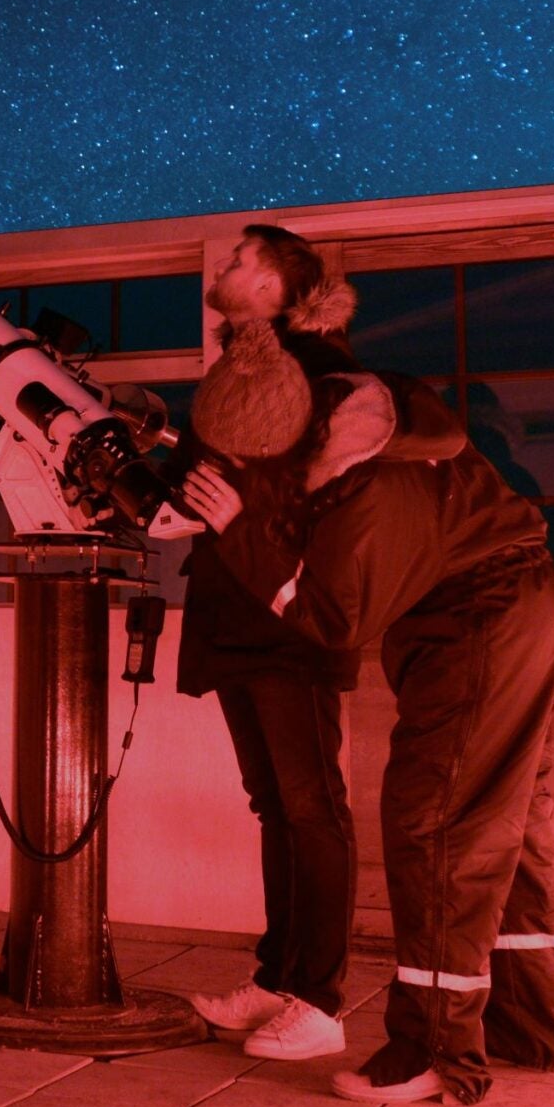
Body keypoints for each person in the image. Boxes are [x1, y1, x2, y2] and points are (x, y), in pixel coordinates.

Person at [179, 306, 554, 1105]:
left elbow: (337, 620)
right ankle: (526, 1026)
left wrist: (241, 531)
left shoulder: (367, 482)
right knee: (511, 819)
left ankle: (433, 1052)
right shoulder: (358, 428)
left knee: (437, 823)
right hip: (507, 609)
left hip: (480, 624)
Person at [173, 227, 366, 1061]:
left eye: (244, 261)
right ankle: (278, 979)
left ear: (281, 292)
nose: (226, 267)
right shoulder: (230, 378)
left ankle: (320, 1003)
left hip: (289, 620)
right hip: (232, 614)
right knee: (274, 806)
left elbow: (334, 506)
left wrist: (243, 526)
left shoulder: (324, 379)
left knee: (312, 807)